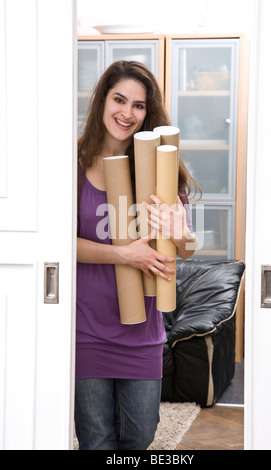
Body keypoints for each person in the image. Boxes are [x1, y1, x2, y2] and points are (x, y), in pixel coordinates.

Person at [75, 60, 200, 450]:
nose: (127, 113)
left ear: (148, 113)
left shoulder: (159, 167)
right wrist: (124, 255)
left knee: (140, 437)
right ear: (102, 102)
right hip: (86, 329)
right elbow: (57, 244)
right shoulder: (72, 166)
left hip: (143, 332)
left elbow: (187, 246)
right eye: (119, 99)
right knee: (97, 440)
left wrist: (183, 234)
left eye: (139, 105)